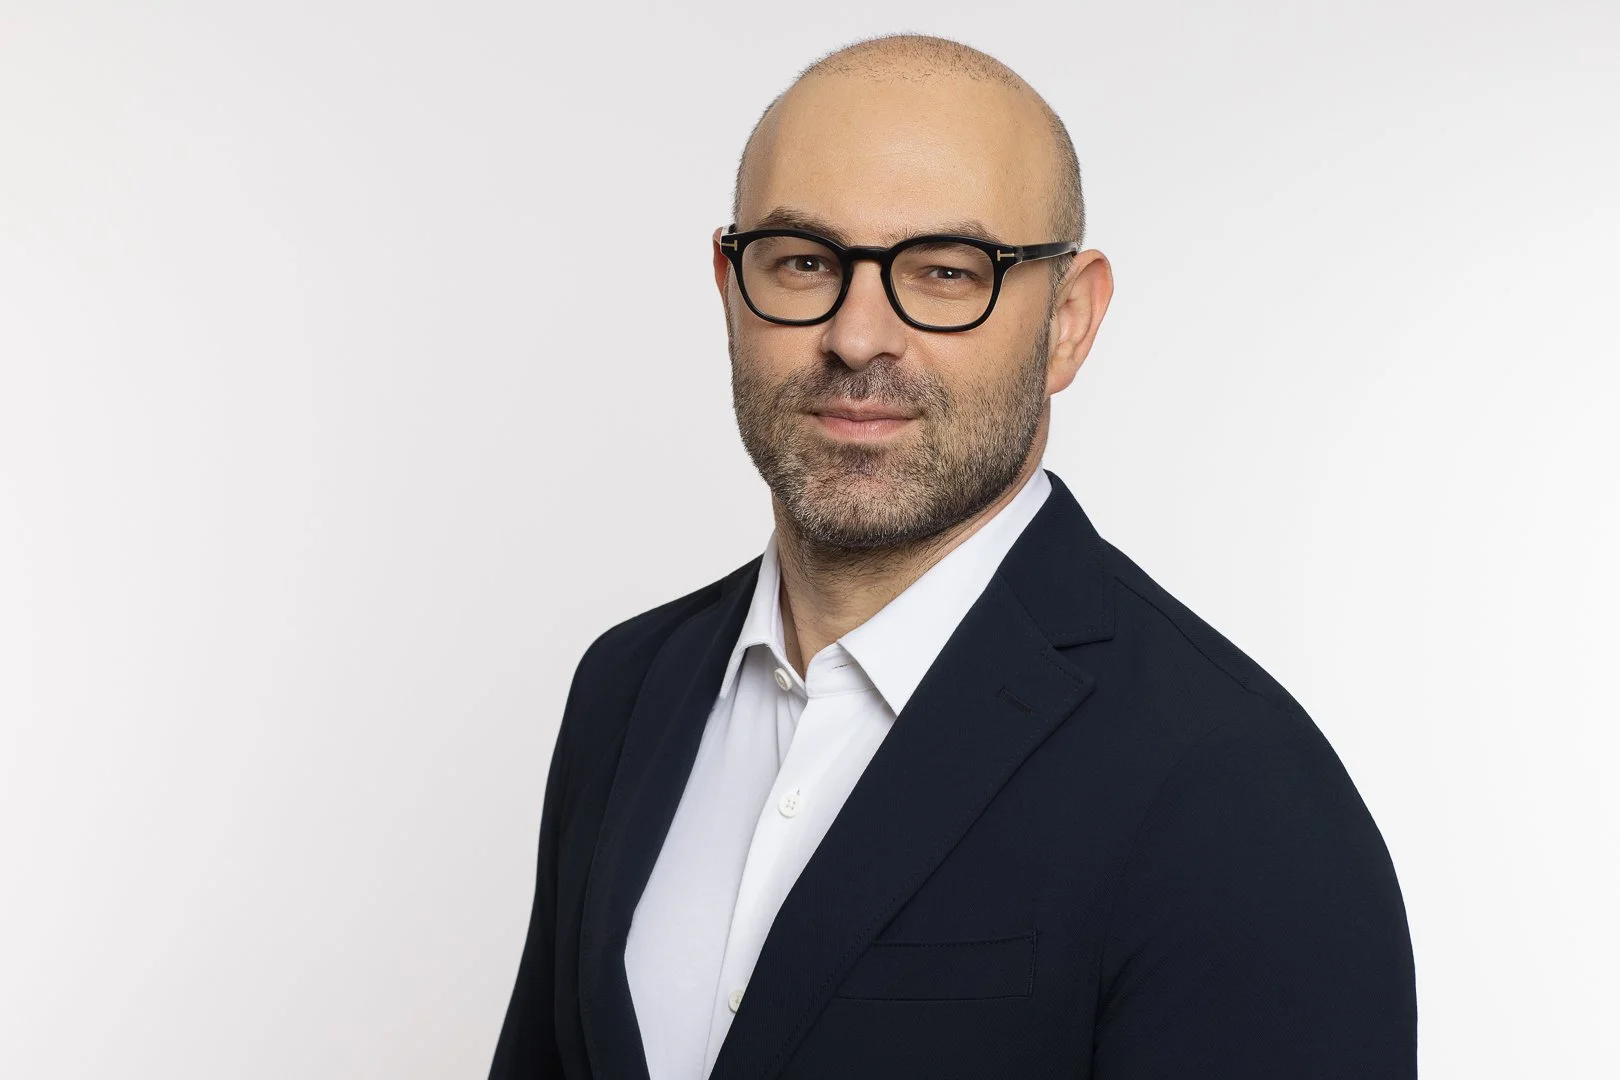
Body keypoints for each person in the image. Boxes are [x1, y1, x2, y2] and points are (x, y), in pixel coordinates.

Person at [489, 32, 1417, 1080]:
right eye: (803, 261)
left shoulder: (1239, 792)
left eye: (943, 272)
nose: (856, 336)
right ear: (728, 284)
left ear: (1069, 321)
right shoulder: (628, 690)